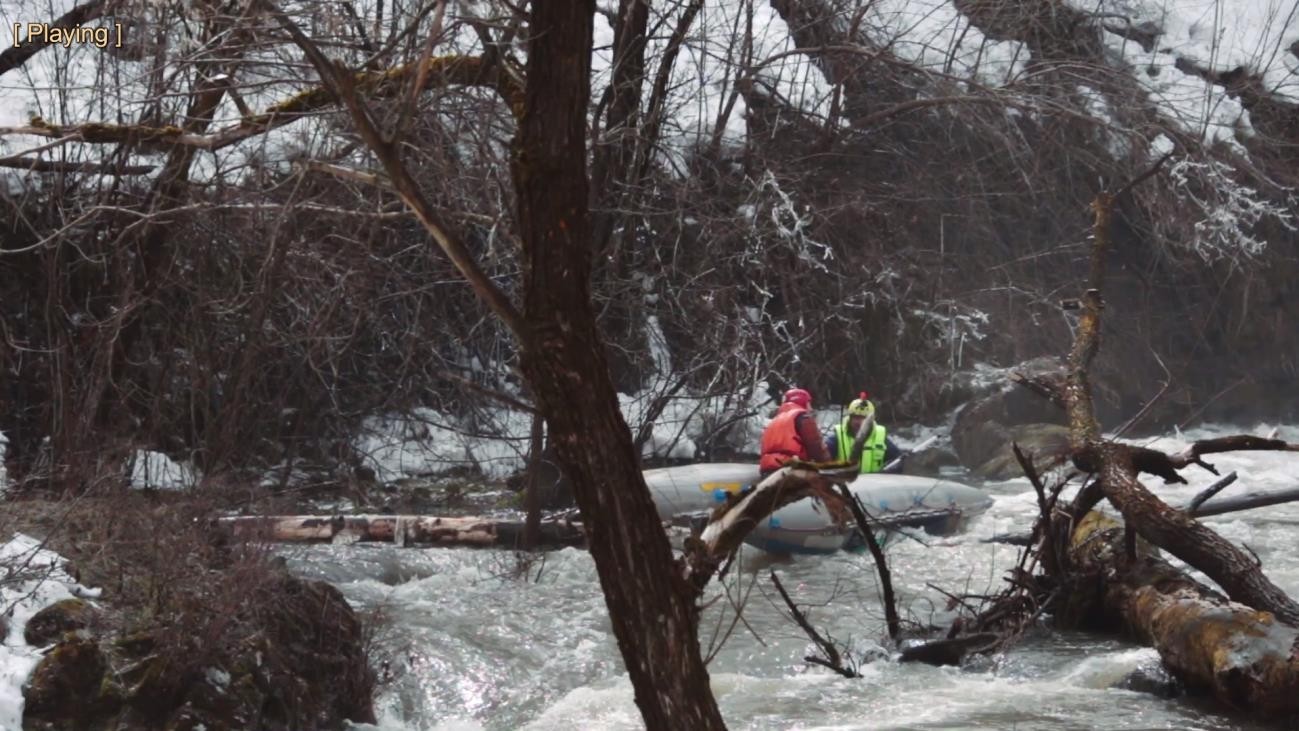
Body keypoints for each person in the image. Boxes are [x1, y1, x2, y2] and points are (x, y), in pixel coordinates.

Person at [758, 388, 832, 475]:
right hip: (790, 468)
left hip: (767, 469)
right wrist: (828, 466)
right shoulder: (803, 417)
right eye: (809, 403)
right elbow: (815, 446)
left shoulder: (773, 421)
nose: (811, 408)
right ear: (801, 402)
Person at [825, 393, 902, 473]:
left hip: (873, 484)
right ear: (850, 418)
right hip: (846, 483)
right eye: (856, 417)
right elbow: (822, 458)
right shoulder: (837, 436)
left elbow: (897, 461)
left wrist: (886, 472)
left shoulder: (880, 437)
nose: (859, 422)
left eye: (864, 418)